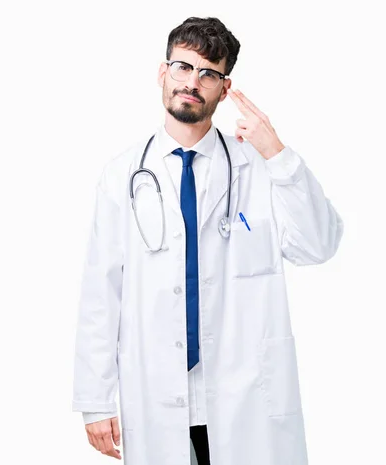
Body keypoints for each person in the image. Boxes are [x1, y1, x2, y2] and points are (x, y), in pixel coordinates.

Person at [72, 16, 344, 465]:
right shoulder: (122, 175)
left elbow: (318, 245)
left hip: (248, 395)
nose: (192, 83)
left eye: (208, 74)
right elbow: (102, 292)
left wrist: (278, 153)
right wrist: (96, 399)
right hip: (158, 393)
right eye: (182, 68)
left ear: (224, 86)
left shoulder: (259, 167)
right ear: (163, 73)